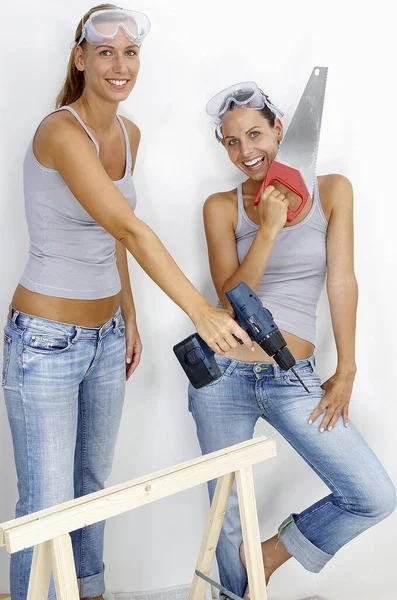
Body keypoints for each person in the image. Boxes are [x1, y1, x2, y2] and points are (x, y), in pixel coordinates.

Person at [1, 8, 254, 600]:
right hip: (45, 339)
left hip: (104, 336)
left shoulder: (130, 134)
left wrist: (129, 317)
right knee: (46, 502)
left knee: (92, 486)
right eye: (106, 52)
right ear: (80, 58)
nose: (120, 65)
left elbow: (110, 234)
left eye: (131, 52)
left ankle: (91, 593)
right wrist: (202, 311)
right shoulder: (60, 133)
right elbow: (132, 228)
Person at [188, 81, 396, 597]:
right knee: (227, 514)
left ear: (280, 130)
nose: (247, 151)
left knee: (372, 495)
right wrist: (268, 228)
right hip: (222, 375)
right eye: (232, 142)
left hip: (292, 375)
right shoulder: (220, 206)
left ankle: (267, 556)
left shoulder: (332, 190)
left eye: (255, 134)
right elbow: (233, 295)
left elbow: (341, 281)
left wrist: (346, 368)